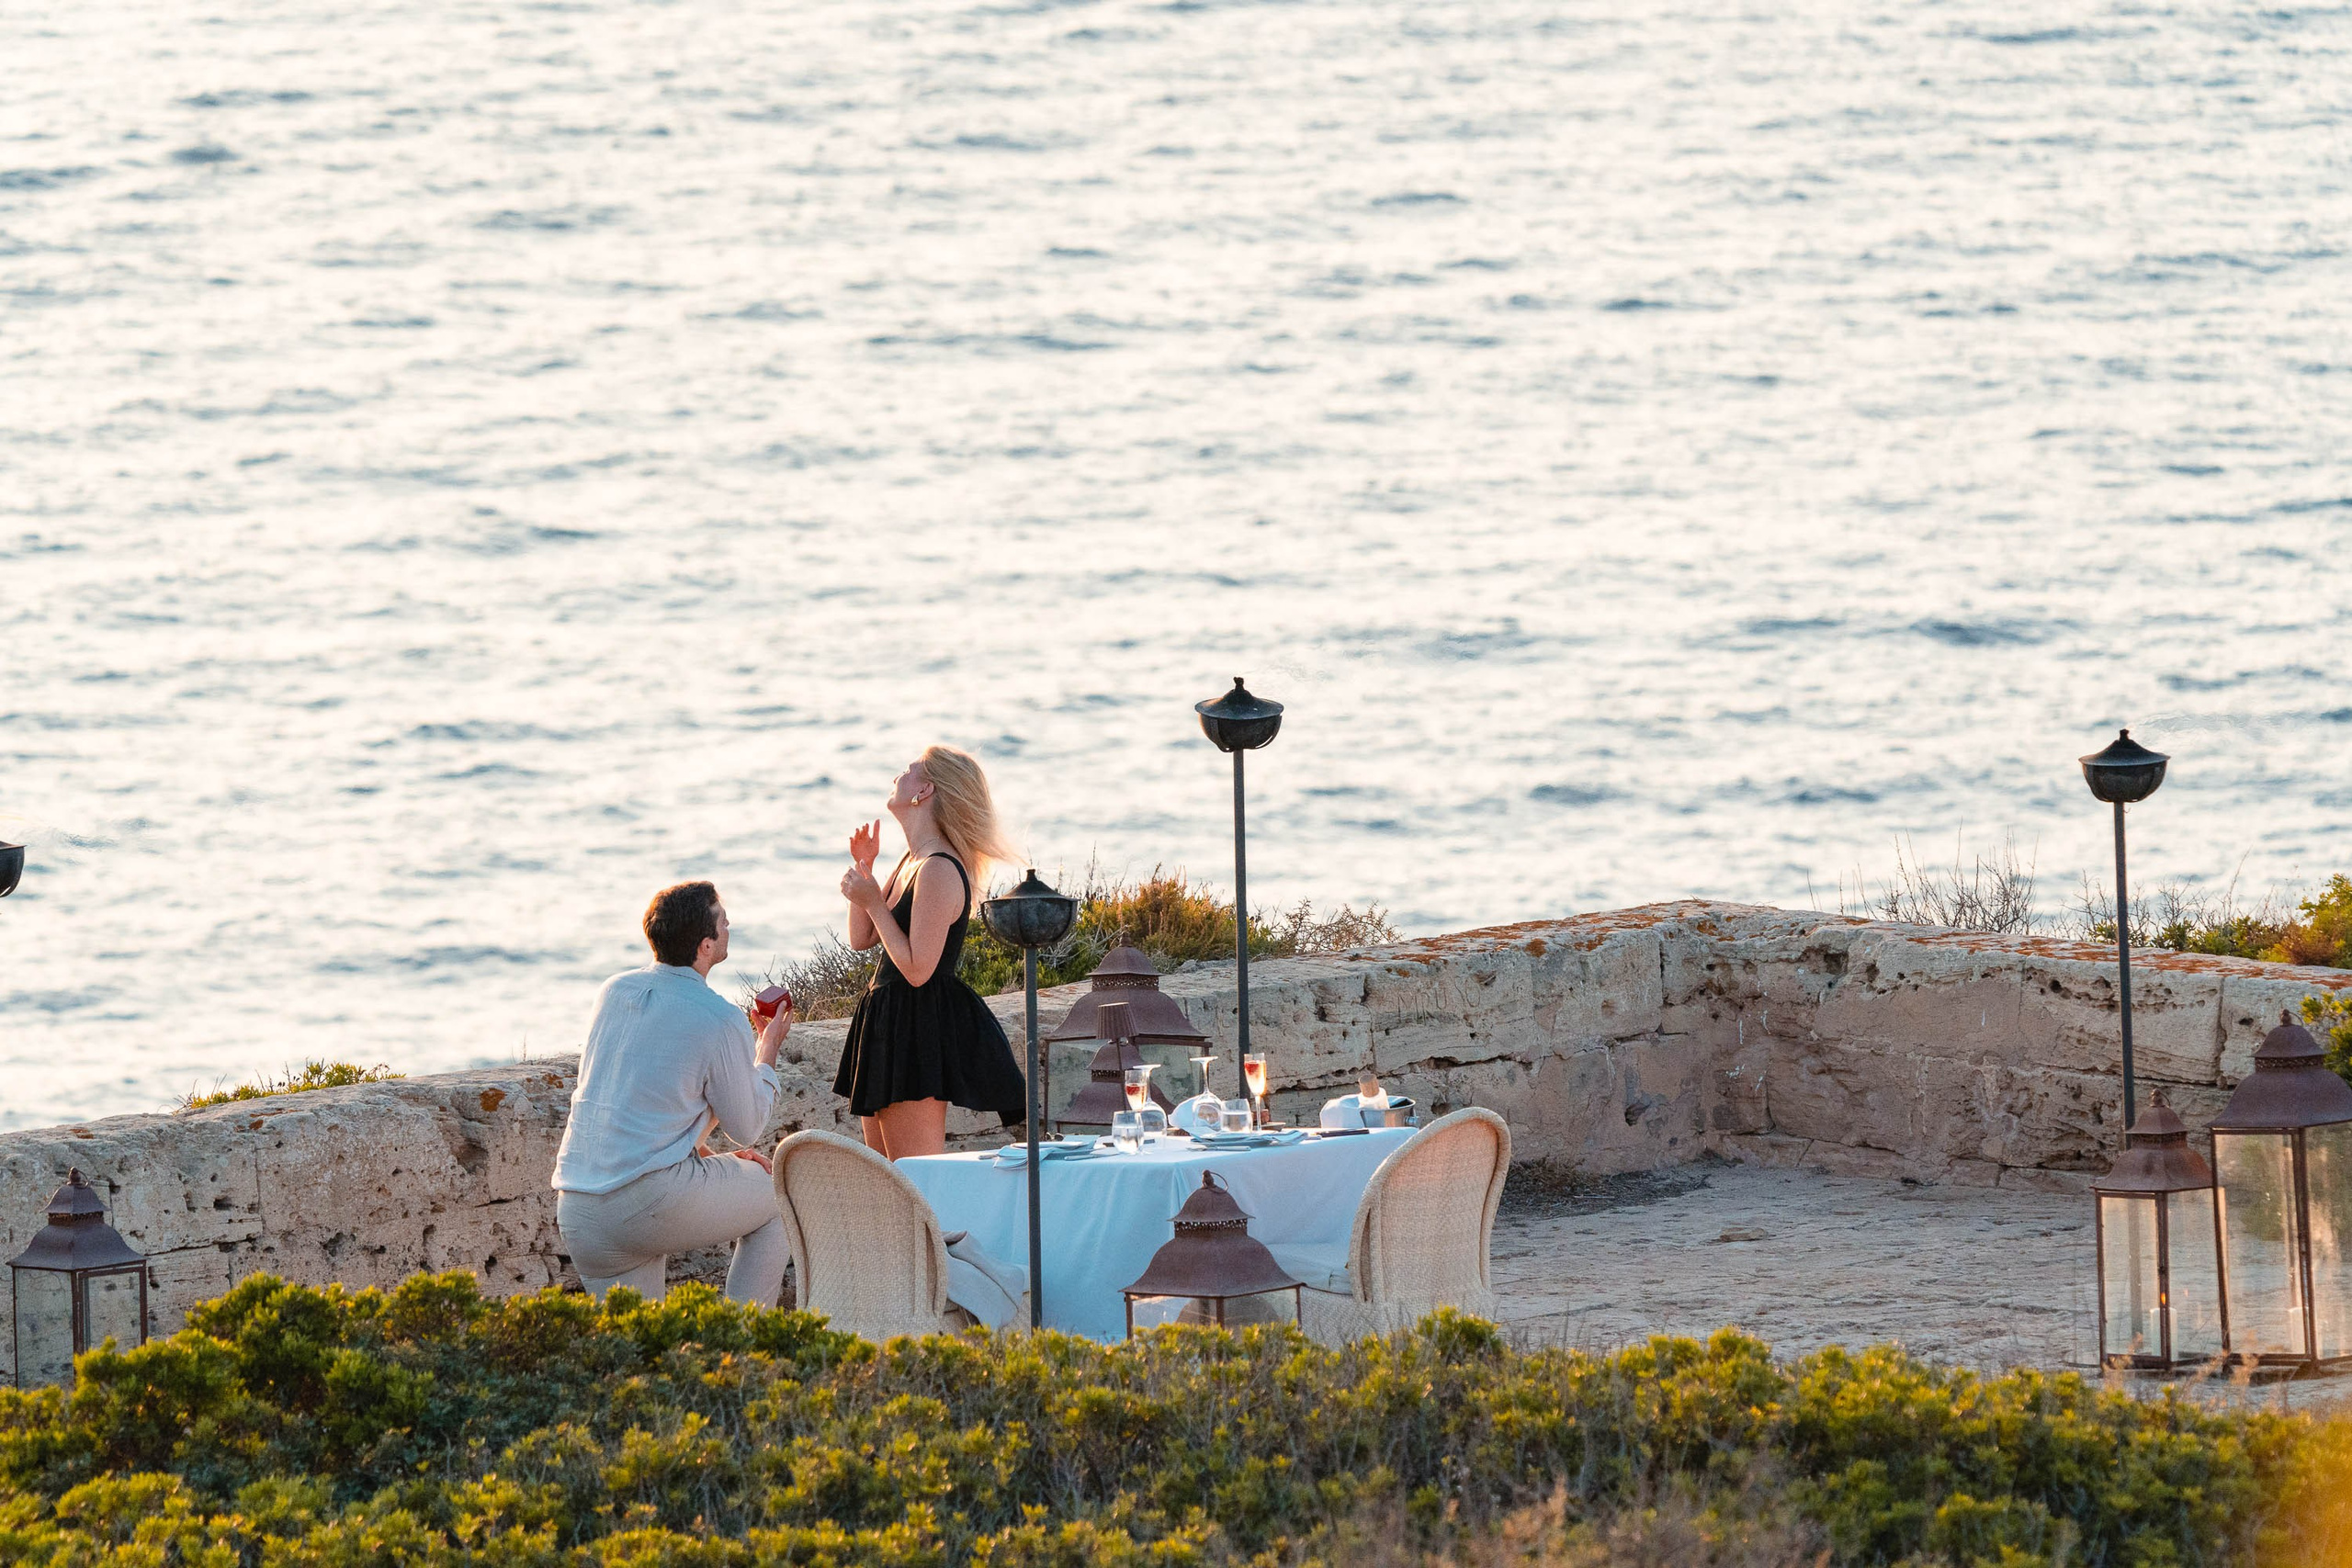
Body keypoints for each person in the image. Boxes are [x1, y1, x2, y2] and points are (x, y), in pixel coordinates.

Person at [551, 880, 795, 1303]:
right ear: (705, 946)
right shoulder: (719, 1018)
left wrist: (699, 1153)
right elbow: (747, 1126)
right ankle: (744, 1352)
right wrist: (767, 1049)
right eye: (723, 921)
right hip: (649, 1200)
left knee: (640, 1352)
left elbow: (639, 1106)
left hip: (581, 1211)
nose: (730, 925)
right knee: (781, 1200)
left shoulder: (613, 993)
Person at [831, 745, 1026, 1157]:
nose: (898, 774)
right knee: (886, 1182)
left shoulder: (938, 867)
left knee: (916, 1181)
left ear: (925, 790)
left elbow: (919, 969)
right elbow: (862, 937)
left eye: (909, 769)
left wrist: (872, 901)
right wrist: (866, 872)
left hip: (915, 1027)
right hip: (886, 1018)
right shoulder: (913, 859)